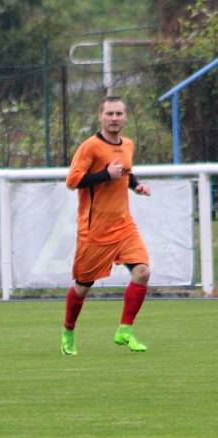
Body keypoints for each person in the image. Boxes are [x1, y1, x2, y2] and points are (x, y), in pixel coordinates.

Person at [61, 95, 152, 356]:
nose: (114, 119)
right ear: (100, 116)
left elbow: (125, 171)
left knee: (143, 272)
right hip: (95, 230)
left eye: (118, 114)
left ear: (125, 117)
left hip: (123, 224)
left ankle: (125, 331)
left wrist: (137, 186)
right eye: (109, 114)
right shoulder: (90, 147)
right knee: (82, 285)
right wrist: (105, 175)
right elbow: (72, 181)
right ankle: (68, 330)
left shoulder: (128, 145)